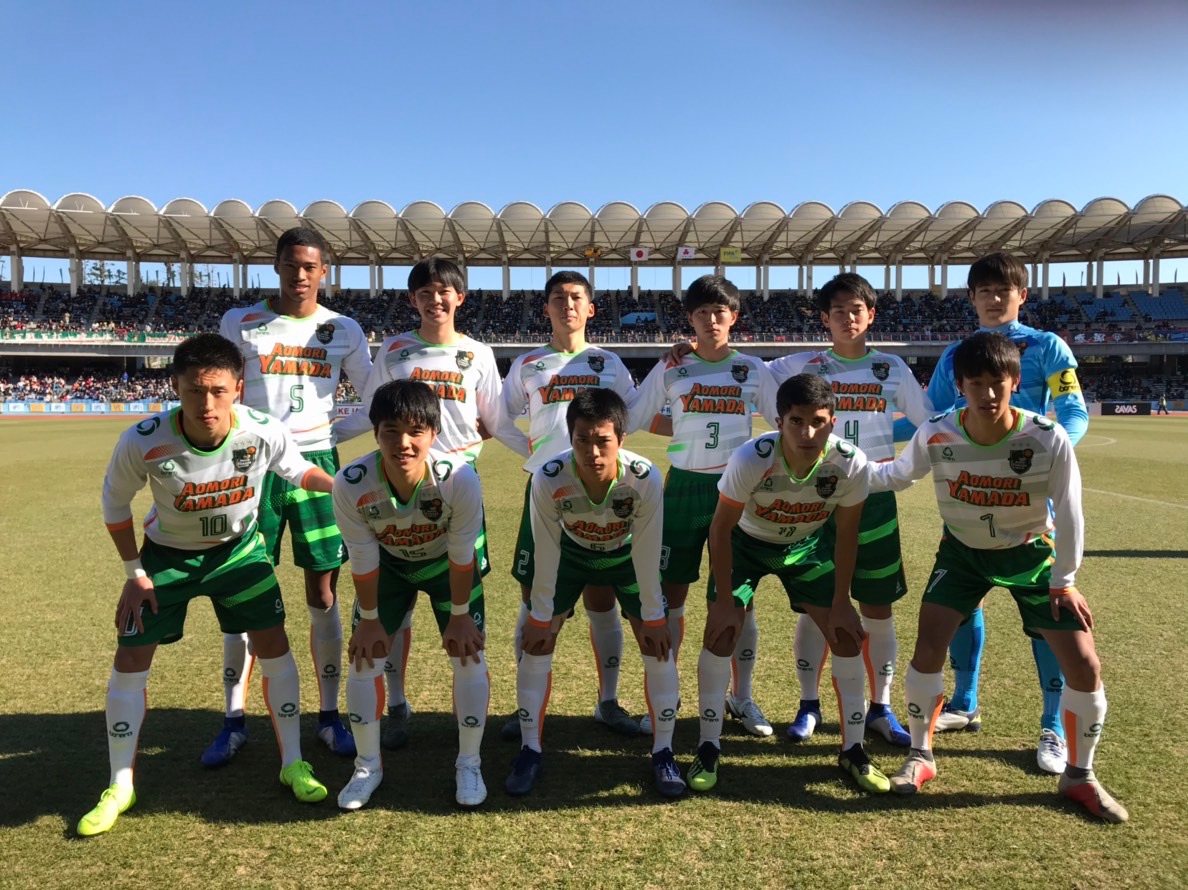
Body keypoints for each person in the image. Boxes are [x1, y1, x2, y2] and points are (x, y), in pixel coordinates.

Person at [78, 333, 335, 836]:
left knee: (275, 647)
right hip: (165, 559)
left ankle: (293, 763)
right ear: (176, 387)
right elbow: (114, 504)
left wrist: (346, 485)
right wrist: (135, 574)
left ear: (238, 387)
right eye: (195, 391)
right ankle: (120, 785)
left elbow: (298, 470)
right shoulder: (143, 439)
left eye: (218, 390)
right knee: (131, 658)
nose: (207, 404)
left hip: (239, 554)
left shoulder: (263, 430)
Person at [872, 332, 1127, 823]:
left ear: (1015, 380)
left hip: (1031, 556)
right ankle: (921, 756)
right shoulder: (937, 432)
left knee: (1085, 663)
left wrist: (1064, 580)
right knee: (928, 648)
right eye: (975, 384)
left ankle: (1080, 776)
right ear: (959, 386)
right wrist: (842, 464)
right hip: (962, 554)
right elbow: (897, 475)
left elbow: (1069, 512)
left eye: (997, 383)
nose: (987, 394)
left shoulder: (1046, 437)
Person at [902, 251, 1089, 775]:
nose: (993, 298)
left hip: (1029, 496)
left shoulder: (1048, 346)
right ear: (971, 298)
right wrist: (860, 432)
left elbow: (1072, 411)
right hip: (971, 495)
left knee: (1048, 615)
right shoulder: (955, 355)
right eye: (983, 290)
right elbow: (934, 417)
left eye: (1002, 289)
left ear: (1021, 295)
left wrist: (1050, 456)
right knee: (963, 601)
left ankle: (1052, 725)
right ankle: (965, 703)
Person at [336, 257, 528, 751]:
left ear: (460, 298)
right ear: (412, 300)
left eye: (444, 291)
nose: (435, 300)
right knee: (395, 608)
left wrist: (545, 458)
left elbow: (496, 421)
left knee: (460, 596)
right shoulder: (395, 349)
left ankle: (467, 734)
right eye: (425, 292)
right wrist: (317, 437)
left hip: (456, 487)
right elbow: (372, 412)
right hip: (395, 481)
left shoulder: (478, 353)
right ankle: (397, 705)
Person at [214, 227, 373, 765]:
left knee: (322, 591)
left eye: (310, 266)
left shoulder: (344, 329)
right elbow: (223, 390)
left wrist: (330, 436)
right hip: (251, 468)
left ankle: (328, 715)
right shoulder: (240, 322)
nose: (300, 275)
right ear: (276, 266)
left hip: (317, 466)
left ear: (324, 271)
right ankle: (233, 719)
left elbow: (373, 398)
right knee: (240, 588)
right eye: (291, 264)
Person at [687, 374, 888, 795]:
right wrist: (724, 602)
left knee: (846, 637)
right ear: (779, 422)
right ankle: (708, 745)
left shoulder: (850, 462)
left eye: (817, 422)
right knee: (722, 632)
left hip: (805, 547)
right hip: (745, 545)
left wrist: (841, 602)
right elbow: (720, 529)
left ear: (833, 422)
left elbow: (846, 534)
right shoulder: (753, 457)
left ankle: (853, 750)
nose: (807, 433)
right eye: (796, 421)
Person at [766, 273, 932, 747]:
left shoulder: (891, 368)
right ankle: (808, 704)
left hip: (875, 498)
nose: (847, 317)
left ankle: (881, 707)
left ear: (870, 314)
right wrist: (686, 351)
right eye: (837, 310)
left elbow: (929, 425)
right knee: (815, 604)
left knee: (877, 607)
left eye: (856, 309)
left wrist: (899, 472)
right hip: (818, 500)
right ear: (825, 318)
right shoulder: (803, 366)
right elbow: (751, 371)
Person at [505, 389, 683, 798]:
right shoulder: (549, 477)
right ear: (570, 438)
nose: (592, 451)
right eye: (582, 439)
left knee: (657, 645)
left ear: (621, 439)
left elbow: (647, 550)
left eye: (603, 440)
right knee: (537, 641)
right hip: (570, 554)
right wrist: (541, 616)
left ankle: (664, 752)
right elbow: (546, 550)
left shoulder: (644, 477)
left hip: (625, 555)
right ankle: (530, 749)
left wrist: (654, 616)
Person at [627, 274, 778, 737]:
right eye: (702, 313)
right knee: (671, 595)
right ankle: (665, 697)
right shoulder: (672, 367)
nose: (711, 320)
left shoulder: (753, 369)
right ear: (690, 319)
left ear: (734, 317)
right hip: (683, 488)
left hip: (736, 491)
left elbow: (783, 421)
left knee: (739, 597)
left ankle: (742, 696)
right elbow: (632, 417)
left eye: (720, 312)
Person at [332, 380, 489, 810]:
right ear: (375, 433)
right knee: (363, 660)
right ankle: (367, 766)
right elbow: (362, 555)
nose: (403, 443)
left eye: (416, 431)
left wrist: (460, 614)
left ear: (434, 433)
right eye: (391, 431)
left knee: (468, 655)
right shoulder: (350, 483)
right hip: (389, 568)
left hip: (445, 566)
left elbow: (462, 553)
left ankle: (469, 762)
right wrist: (369, 620)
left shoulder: (459, 478)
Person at [503, 271, 643, 738]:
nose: (567, 304)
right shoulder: (528, 363)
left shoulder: (609, 362)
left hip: (602, 489)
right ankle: (526, 708)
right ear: (545, 308)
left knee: (601, 596)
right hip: (547, 490)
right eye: (558, 298)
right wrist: (534, 456)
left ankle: (608, 701)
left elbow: (634, 413)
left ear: (590, 308)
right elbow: (498, 418)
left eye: (576, 297)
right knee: (533, 596)